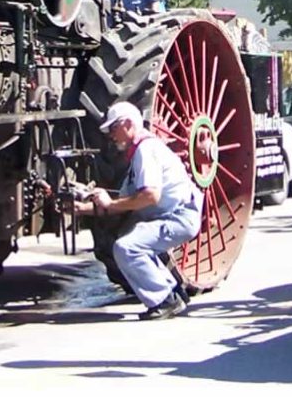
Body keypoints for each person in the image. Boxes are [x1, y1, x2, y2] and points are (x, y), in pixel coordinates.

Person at [72, 101, 202, 320]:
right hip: (173, 217)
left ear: (129, 125)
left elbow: (150, 196)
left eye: (114, 128)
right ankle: (173, 291)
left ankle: (164, 301)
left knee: (127, 247)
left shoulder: (145, 150)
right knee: (133, 238)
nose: (111, 136)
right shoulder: (140, 153)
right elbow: (124, 202)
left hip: (179, 218)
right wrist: (81, 209)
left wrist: (110, 204)